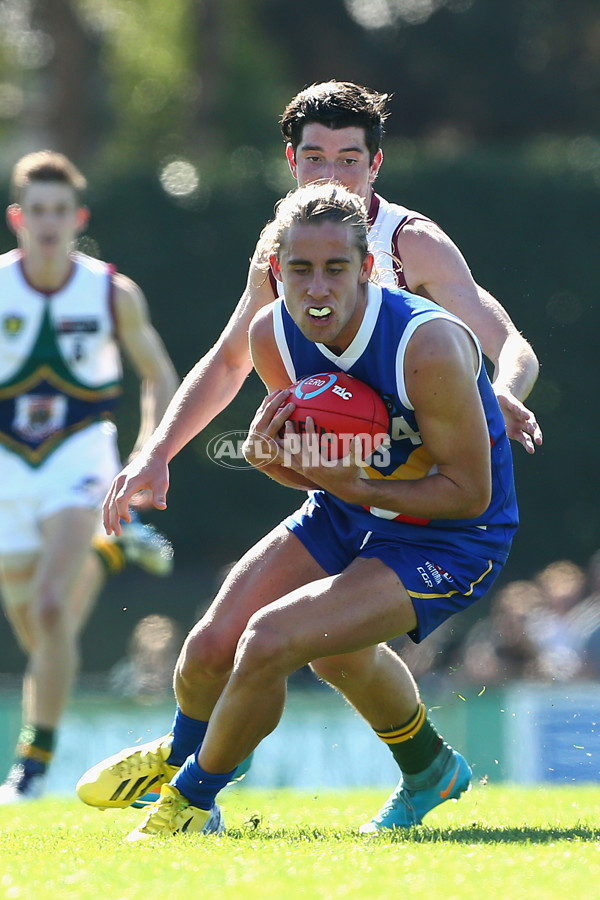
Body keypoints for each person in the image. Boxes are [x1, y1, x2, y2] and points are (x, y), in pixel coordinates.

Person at [75, 80, 539, 815]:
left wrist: (499, 388)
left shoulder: (408, 243)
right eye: (315, 159)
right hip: (354, 494)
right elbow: (233, 360)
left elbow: (499, 335)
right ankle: (425, 770)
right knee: (252, 647)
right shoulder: (286, 250)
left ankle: (185, 789)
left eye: (348, 161)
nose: (331, 177)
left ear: (375, 167)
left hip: (435, 502)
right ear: (292, 163)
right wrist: (157, 452)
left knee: (310, 642)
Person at [0, 151, 179, 802]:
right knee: (42, 631)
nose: (48, 224)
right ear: (19, 218)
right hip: (7, 467)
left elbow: (159, 375)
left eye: (59, 212)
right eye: (36, 212)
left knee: (49, 607)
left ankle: (31, 767)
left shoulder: (110, 291)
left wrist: (143, 455)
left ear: (77, 218)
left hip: (80, 458)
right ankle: (109, 551)